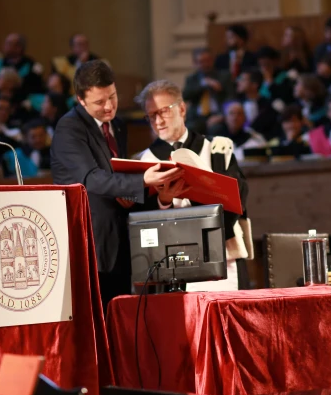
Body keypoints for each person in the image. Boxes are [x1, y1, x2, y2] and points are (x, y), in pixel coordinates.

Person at [50, 61, 183, 309]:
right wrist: (140, 180)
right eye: (99, 102)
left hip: (120, 238)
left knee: (120, 316)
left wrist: (137, 194)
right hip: (89, 241)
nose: (109, 106)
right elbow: (90, 179)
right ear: (81, 100)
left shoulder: (118, 125)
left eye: (112, 96)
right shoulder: (69, 128)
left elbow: (116, 176)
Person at [135, 79, 250, 292]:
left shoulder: (217, 149)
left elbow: (237, 199)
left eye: (164, 111)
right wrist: (164, 201)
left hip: (222, 257)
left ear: (181, 109)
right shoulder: (144, 161)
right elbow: (141, 222)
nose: (158, 121)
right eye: (151, 115)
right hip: (170, 264)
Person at [183, 48, 233, 135]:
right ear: (195, 63)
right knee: (190, 130)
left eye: (208, 61)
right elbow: (186, 95)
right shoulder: (192, 78)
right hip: (197, 117)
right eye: (201, 62)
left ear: (212, 61)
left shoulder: (224, 76)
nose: (205, 64)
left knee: (216, 130)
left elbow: (231, 98)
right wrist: (203, 84)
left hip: (217, 115)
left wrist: (221, 115)